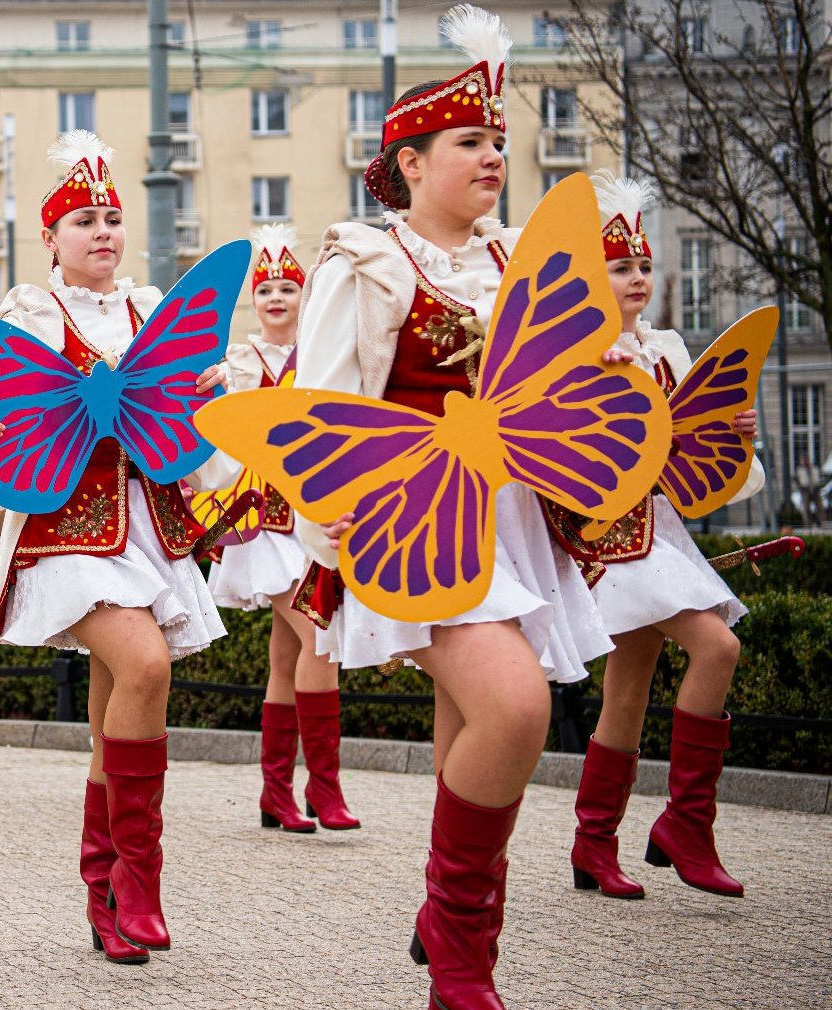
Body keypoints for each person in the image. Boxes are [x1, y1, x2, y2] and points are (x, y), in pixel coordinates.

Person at [292, 7, 636, 1007]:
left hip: (511, 521)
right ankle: (458, 948)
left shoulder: (517, 261)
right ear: (405, 163)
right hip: (407, 524)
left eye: (495, 139)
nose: (491, 155)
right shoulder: (366, 263)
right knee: (516, 705)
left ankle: (447, 926)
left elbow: (557, 381)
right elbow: (323, 411)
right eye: (466, 142)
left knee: (470, 725)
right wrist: (337, 543)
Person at [0, 130, 236, 964]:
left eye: (112, 217)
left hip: (147, 523)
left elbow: (186, 424)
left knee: (119, 700)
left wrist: (208, 407)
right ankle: (141, 877)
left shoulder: (153, 310)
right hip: (64, 531)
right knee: (146, 666)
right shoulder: (27, 317)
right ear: (50, 238)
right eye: (84, 219)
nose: (103, 231)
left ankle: (104, 887)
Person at [556, 171, 760, 900]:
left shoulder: (668, 348)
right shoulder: (571, 354)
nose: (637, 277)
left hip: (662, 532)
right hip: (607, 538)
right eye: (620, 266)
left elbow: (702, 460)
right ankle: (685, 824)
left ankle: (593, 846)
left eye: (644, 265)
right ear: (592, 273)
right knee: (719, 646)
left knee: (629, 691)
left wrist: (736, 438)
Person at [204, 226, 357, 833]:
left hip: (311, 520)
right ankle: (325, 787)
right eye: (264, 287)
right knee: (319, 634)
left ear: (304, 297)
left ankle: (276, 793)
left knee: (286, 653)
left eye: (287, 287)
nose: (275, 297)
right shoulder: (234, 362)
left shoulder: (321, 358)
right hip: (256, 521)